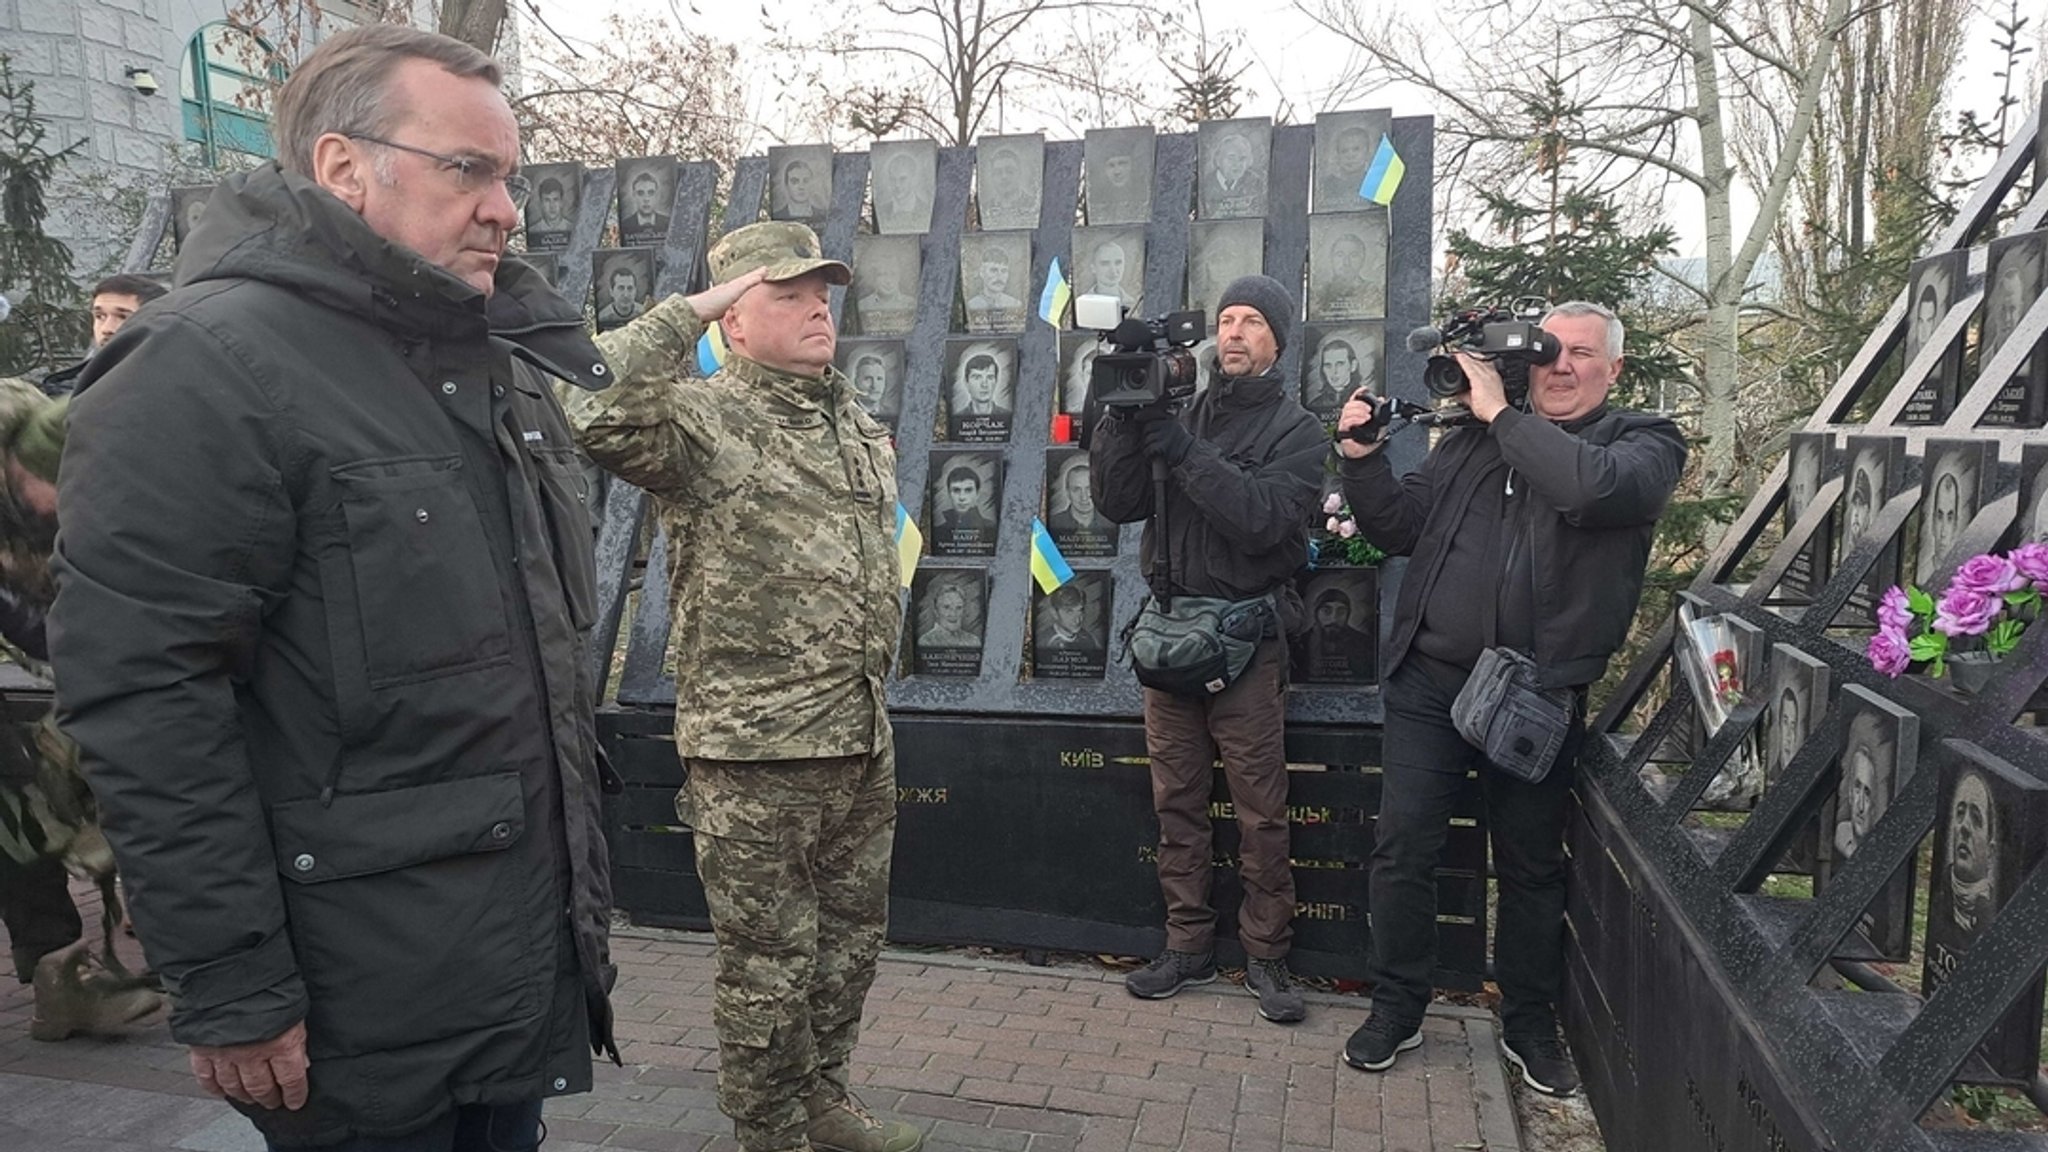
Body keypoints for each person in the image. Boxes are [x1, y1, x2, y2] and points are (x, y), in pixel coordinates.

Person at [49, 25, 621, 1150]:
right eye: (470, 170)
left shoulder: (482, 358)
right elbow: (148, 701)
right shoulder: (206, 364)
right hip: (349, 1004)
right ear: (342, 168)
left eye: (510, 174)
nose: (505, 208)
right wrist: (233, 987)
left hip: (502, 974)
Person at [564, 219, 919, 1152]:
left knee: (847, 949)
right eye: (786, 295)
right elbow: (583, 401)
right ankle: (769, 1134)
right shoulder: (703, 418)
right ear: (734, 319)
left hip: (859, 733)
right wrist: (690, 311)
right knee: (768, 966)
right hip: (756, 750)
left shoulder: (851, 419)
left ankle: (823, 1103)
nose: (815, 311)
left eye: (821, 295)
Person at [1333, 300, 1685, 1096]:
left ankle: (1527, 1022)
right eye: (1550, 352)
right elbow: (1398, 526)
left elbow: (1588, 491)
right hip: (1431, 682)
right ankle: (1397, 1006)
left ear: (1614, 369)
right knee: (1404, 847)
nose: (1561, 367)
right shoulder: (1472, 443)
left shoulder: (1643, 444)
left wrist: (1500, 415)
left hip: (1534, 693)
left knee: (1528, 866)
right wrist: (1360, 459)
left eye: (1582, 355)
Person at [1090, 274, 1327, 1025]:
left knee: (1261, 811)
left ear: (1277, 342)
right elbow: (1115, 502)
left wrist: (1184, 450)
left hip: (1247, 643)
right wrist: (1124, 419)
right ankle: (1187, 943)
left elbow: (1263, 521)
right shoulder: (1177, 407)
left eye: (1253, 320)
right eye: (1226, 319)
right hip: (1169, 639)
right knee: (1178, 802)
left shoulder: (1298, 430)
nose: (1234, 332)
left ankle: (1267, 956)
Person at [0, 372, 167, 1045]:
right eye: (55, 486)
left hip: (39, 678)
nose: (65, 502)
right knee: (21, 809)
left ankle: (75, 979)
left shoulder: (57, 459)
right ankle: (61, 980)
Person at [40, 274, 168, 396]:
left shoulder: (174, 388)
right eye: (100, 316)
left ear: (155, 321)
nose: (106, 329)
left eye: (123, 317)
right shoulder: (68, 388)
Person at [1834, 710, 1891, 860]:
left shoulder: (1878, 853)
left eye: (1867, 793)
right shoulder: (1842, 836)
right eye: (1857, 788)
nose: (1859, 807)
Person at [1947, 770, 1997, 936]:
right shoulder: (1942, 896)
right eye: (1960, 813)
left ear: (1990, 852)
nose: (1964, 827)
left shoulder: (1996, 910)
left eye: (1976, 819)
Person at [1297, 586, 1374, 682]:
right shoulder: (1300, 643)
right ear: (1316, 614)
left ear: (1348, 614)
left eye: (1341, 612)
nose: (1333, 619)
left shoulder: (1365, 643)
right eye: (1326, 611)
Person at [1206, 130, 1265, 216]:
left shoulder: (1255, 182)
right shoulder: (1206, 183)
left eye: (1242, 158)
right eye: (1231, 158)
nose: (1237, 164)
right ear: (1218, 159)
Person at [964, 246, 1023, 329]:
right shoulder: (971, 305)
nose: (999, 276)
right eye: (993, 270)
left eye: (1004, 271)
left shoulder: (1016, 304)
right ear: (982, 273)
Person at [1046, 458, 1106, 538]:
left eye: (1089, 489)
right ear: (1067, 492)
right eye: (1076, 490)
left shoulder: (1109, 522)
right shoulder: (1053, 523)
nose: (1084, 497)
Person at [873, 151, 932, 233]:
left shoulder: (926, 211)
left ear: (914, 179)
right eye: (893, 179)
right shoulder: (882, 212)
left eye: (902, 179)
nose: (897, 185)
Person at [1036, 583, 1101, 655]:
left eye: (1080, 610)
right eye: (1069, 612)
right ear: (1054, 613)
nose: (1077, 619)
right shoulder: (1043, 641)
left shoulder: (1088, 639)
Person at [1305, 336, 1364, 414]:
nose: (1334, 371)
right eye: (1328, 365)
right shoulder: (1315, 404)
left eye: (1340, 364)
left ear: (1353, 366)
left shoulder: (1365, 402)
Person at [1084, 239, 1140, 312]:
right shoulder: (1084, 303)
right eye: (1105, 263)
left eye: (1118, 263)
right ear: (1093, 268)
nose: (1113, 270)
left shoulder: (1134, 303)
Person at [918, 580, 979, 649]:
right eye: (946, 607)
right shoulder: (926, 642)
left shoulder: (973, 641)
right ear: (936, 611)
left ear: (964, 610)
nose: (953, 613)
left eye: (959, 607)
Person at [936, 465, 993, 533]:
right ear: (949, 493)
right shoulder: (939, 531)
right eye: (956, 490)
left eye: (968, 490)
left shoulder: (990, 528)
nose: (962, 497)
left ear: (977, 494)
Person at [955, 353, 1010, 419]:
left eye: (990, 377)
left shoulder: (1008, 416)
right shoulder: (958, 417)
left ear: (996, 381)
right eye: (977, 377)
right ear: (966, 382)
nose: (984, 384)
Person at [623, 168, 670, 236]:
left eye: (651, 193)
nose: (646, 199)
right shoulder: (625, 225)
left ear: (657, 195)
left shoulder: (669, 223)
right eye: (640, 193)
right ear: (634, 195)